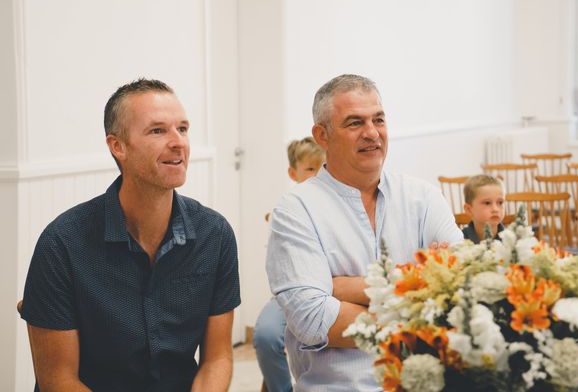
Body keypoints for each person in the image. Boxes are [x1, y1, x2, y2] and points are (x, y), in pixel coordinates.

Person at [20, 79, 241, 392]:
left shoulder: (214, 235)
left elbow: (217, 359)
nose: (179, 142)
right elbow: (58, 380)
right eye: (158, 130)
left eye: (183, 128)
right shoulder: (63, 243)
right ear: (117, 146)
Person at [266, 74, 463, 391]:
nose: (372, 133)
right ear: (322, 135)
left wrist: (344, 288)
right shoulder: (296, 210)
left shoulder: (422, 198)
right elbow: (314, 319)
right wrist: (417, 293)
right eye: (355, 123)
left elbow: (461, 290)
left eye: (379, 120)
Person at [253, 137, 325, 392]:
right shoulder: (286, 210)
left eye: (322, 167)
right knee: (265, 336)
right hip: (288, 296)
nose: (316, 175)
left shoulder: (333, 206)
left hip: (328, 293)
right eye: (309, 169)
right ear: (293, 173)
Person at [461, 174, 506, 243]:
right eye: (487, 203)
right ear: (469, 210)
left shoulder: (512, 239)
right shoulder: (460, 240)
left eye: (500, 202)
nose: (495, 209)